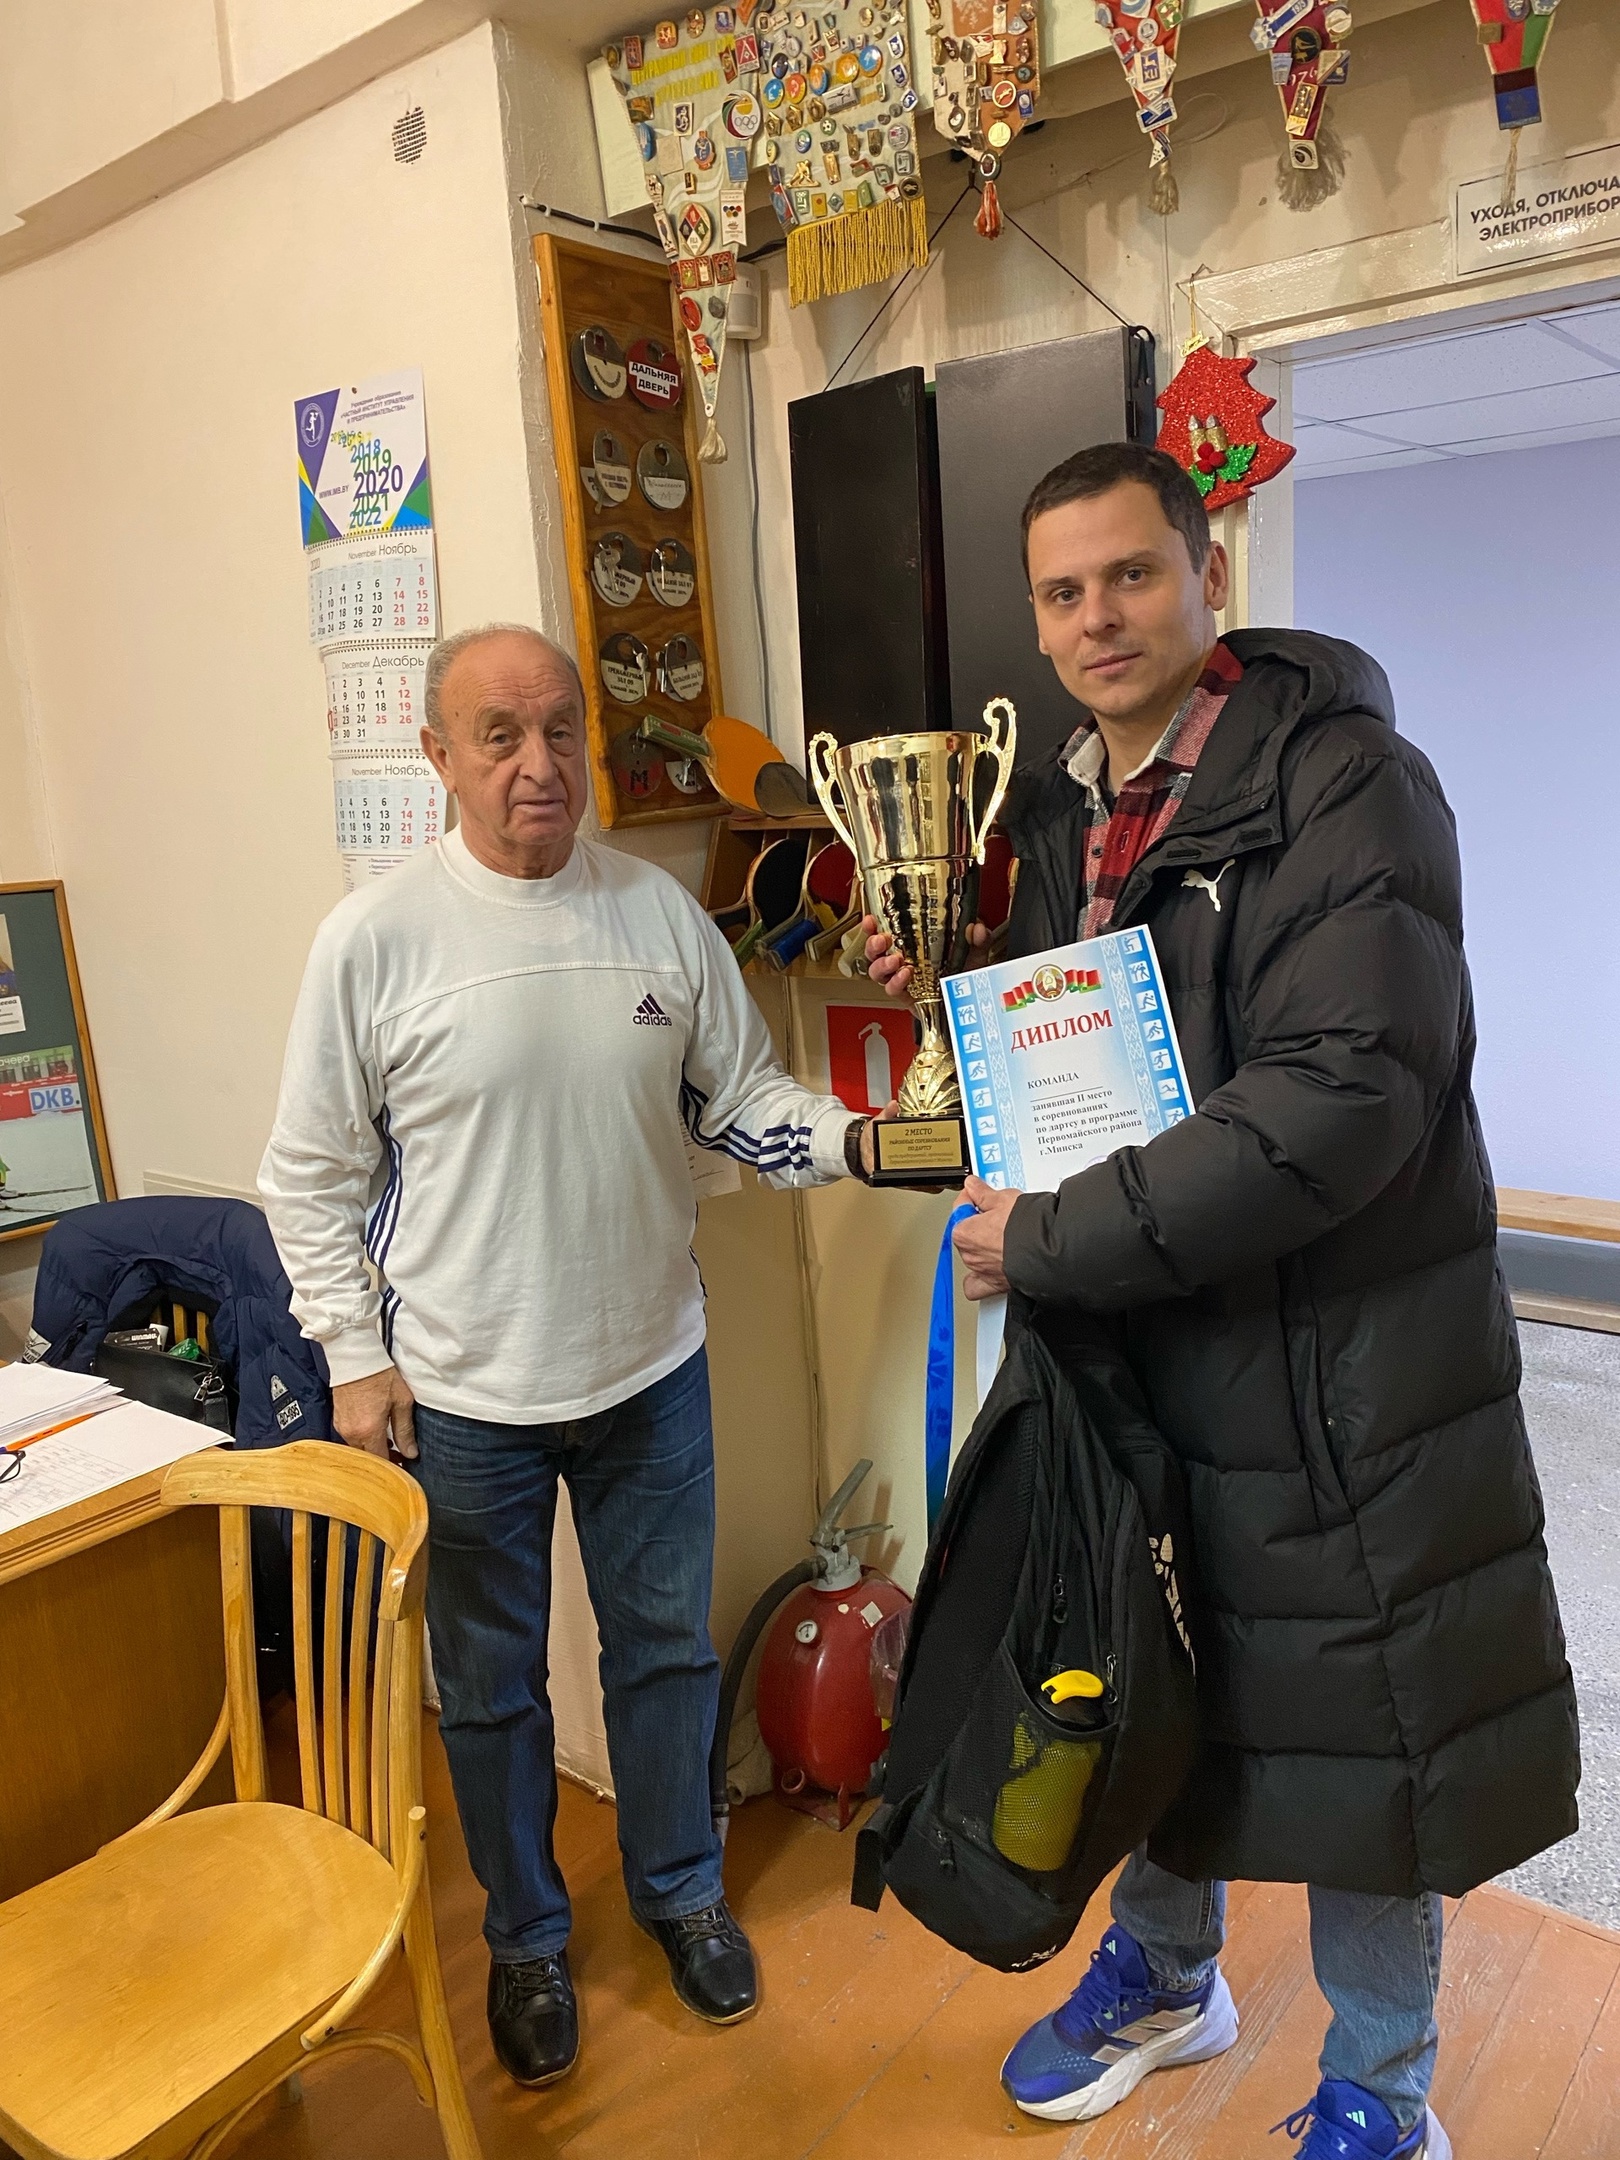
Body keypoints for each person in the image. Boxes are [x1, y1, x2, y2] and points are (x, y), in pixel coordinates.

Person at [867, 443, 1577, 2160]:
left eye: (1131, 574)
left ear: (1209, 574)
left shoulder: (1349, 781)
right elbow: (1118, 1044)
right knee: (1154, 1677)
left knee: (1358, 1733)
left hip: (1336, 1367)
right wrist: (963, 988)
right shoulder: (1065, 811)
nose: (1097, 618)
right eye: (1062, 591)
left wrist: (1049, 1241)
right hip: (1157, 1348)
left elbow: (1337, 1098)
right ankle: (1171, 1981)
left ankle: (1382, 2092)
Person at [260, 625, 881, 2091]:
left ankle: (681, 1895)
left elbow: (741, 1101)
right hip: (463, 1393)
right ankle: (529, 1939)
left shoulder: (656, 914)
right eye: (499, 736)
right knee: (492, 1690)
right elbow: (309, 1175)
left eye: (560, 731)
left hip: (651, 1371)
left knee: (664, 1656)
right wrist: (354, 1357)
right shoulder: (374, 940)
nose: (538, 765)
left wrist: (873, 1143)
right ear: (438, 757)